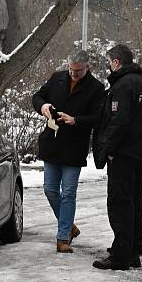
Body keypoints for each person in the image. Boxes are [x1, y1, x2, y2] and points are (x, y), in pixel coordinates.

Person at [32, 49, 105, 253]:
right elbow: (37, 97)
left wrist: (76, 120)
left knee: (69, 193)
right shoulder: (57, 78)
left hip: (74, 148)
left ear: (87, 67)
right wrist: (43, 106)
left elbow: (99, 118)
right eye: (71, 70)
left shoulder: (96, 88)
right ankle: (69, 225)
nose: (74, 74)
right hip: (52, 144)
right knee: (50, 190)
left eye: (78, 71)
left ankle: (62, 237)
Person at [92, 44, 142, 270]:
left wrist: (107, 150)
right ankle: (133, 248)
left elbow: (118, 122)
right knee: (136, 201)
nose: (109, 66)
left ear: (117, 62)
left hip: (123, 154)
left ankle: (121, 255)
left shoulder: (123, 85)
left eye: (110, 62)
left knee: (120, 203)